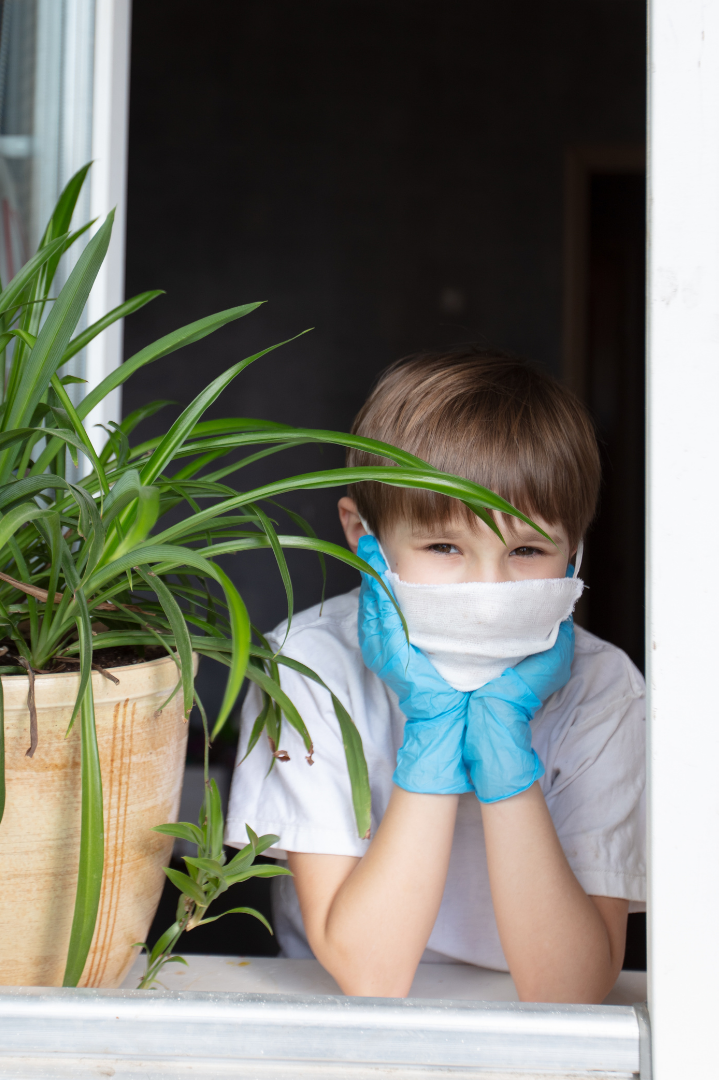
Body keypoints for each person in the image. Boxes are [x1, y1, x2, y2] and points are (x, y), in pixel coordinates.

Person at [225, 349, 645, 1003]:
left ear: (576, 551)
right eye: (445, 547)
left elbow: (569, 988)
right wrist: (436, 726)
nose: (487, 589)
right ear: (362, 534)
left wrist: (505, 743)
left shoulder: (603, 689)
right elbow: (370, 975)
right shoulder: (309, 668)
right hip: (338, 1028)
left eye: (527, 551)